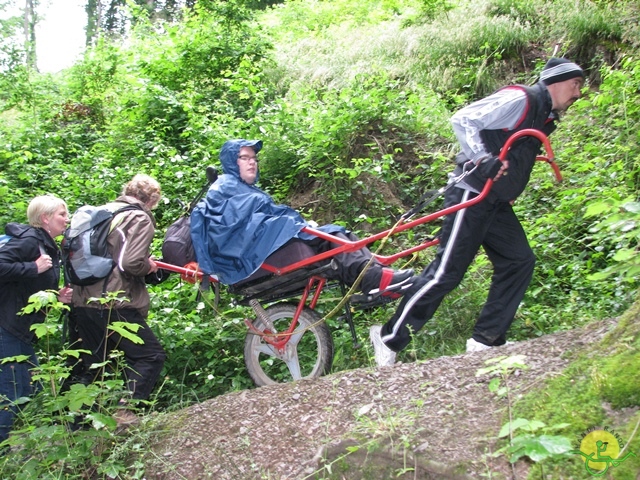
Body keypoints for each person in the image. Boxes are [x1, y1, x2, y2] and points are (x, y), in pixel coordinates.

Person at [370, 58, 585, 366]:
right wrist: (483, 159)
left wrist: (509, 186)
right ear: (557, 81)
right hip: (472, 192)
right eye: (575, 84)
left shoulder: (544, 116)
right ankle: (389, 336)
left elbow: (516, 153)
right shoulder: (522, 98)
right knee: (447, 272)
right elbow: (465, 118)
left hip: (494, 201)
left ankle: (486, 340)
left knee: (518, 260)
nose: (577, 94)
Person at [190, 139, 414, 297]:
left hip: (257, 246)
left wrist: (291, 222)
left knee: (335, 234)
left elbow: (260, 212)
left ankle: (372, 274)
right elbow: (234, 225)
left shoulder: (241, 187)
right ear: (231, 161)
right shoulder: (225, 185)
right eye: (244, 158)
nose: (252, 162)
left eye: (254, 158)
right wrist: (290, 223)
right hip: (244, 256)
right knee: (330, 233)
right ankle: (373, 276)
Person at [69, 174, 166, 426]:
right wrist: (149, 265)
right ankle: (126, 412)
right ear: (152, 199)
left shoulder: (105, 211)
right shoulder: (138, 217)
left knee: (95, 365)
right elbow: (131, 262)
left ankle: (75, 425)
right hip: (114, 301)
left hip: (82, 302)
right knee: (150, 356)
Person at [0, 194, 73, 444]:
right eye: (62, 214)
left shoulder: (46, 244)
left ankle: (29, 449)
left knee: (31, 389)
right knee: (13, 392)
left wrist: (56, 297)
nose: (67, 219)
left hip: (20, 330)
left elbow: (28, 289)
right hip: (7, 327)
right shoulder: (31, 240)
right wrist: (33, 268)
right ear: (45, 218)